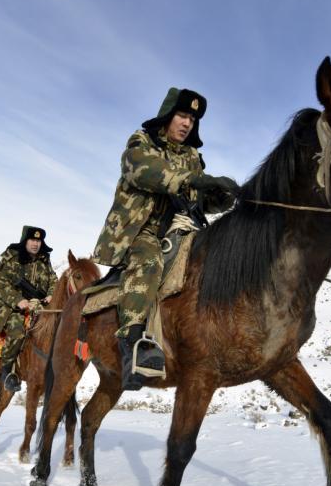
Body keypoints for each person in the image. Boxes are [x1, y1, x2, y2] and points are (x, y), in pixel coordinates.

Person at [92, 87, 239, 390]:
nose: (188, 123)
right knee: (148, 260)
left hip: (183, 228)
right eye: (183, 115)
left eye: (193, 119)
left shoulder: (193, 158)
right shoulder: (141, 143)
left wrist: (221, 197)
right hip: (141, 230)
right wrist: (194, 179)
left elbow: (198, 198)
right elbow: (146, 172)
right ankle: (132, 345)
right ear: (168, 115)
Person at [0, 226, 57, 392]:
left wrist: (51, 295)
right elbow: (1, 284)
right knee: (18, 330)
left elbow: (54, 281)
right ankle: (7, 372)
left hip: (38, 306)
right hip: (9, 308)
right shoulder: (12, 257)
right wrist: (19, 301)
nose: (35, 244)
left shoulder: (44, 260)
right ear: (25, 240)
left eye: (38, 241)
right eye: (32, 240)